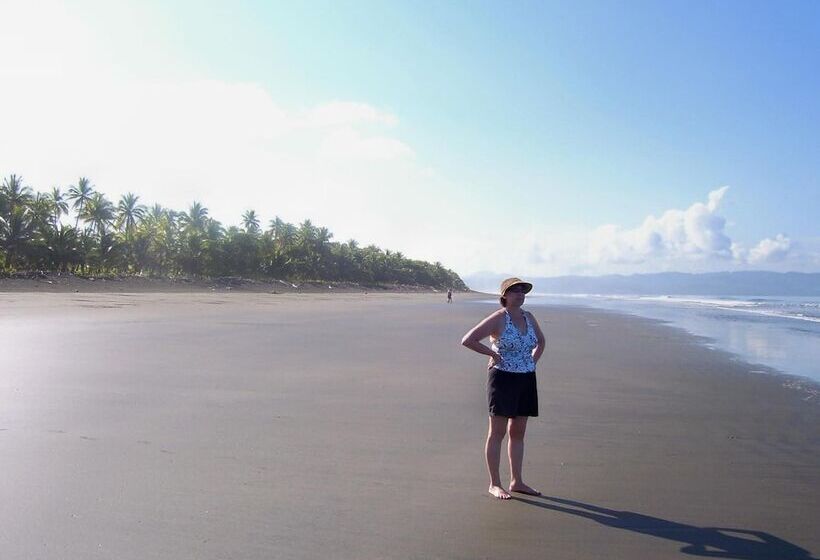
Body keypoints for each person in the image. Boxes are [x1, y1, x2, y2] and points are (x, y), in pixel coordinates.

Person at [461, 277, 546, 499]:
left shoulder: (529, 317)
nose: (520, 294)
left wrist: (532, 361)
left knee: (518, 432)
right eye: (515, 291)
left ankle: (517, 481)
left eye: (522, 291)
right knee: (497, 432)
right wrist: (493, 354)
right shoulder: (499, 318)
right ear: (505, 296)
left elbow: (541, 342)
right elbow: (468, 340)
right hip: (502, 378)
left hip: (526, 378)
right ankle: (495, 484)